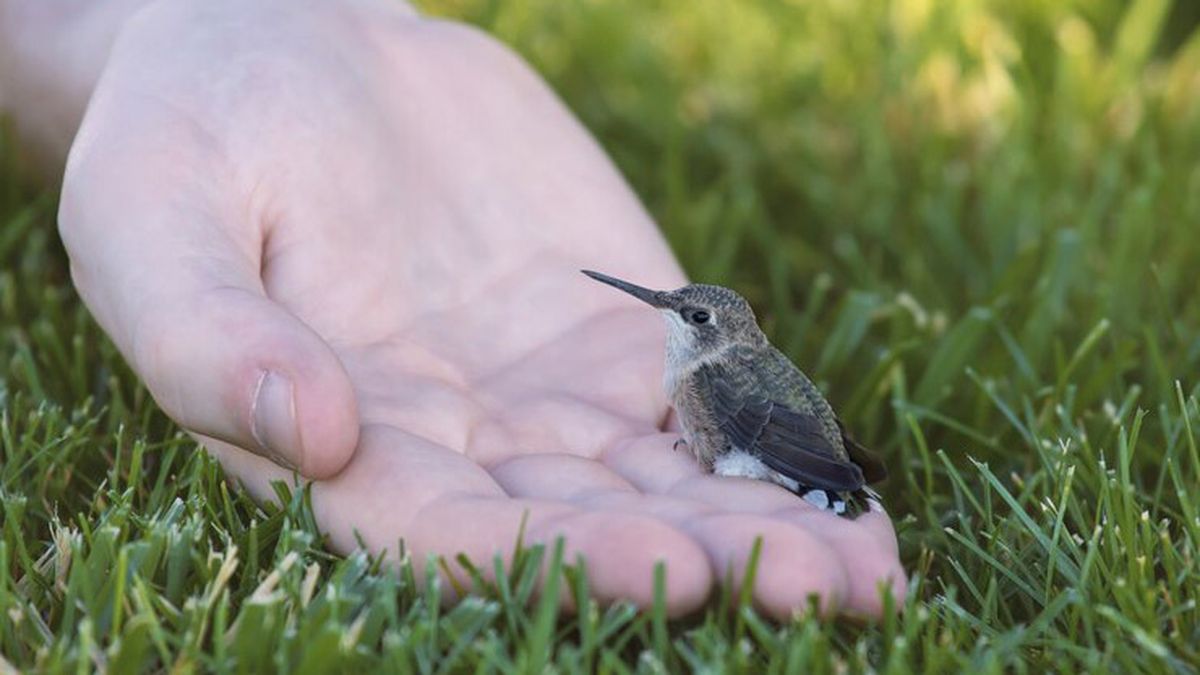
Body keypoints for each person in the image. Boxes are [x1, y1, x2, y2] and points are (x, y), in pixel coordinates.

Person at [0, 0, 905, 619]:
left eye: (688, 316)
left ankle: (829, 485)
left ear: (718, 336)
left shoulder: (719, 380)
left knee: (789, 464)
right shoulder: (699, 371)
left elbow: (757, 432)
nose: (666, 313)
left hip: (779, 447)